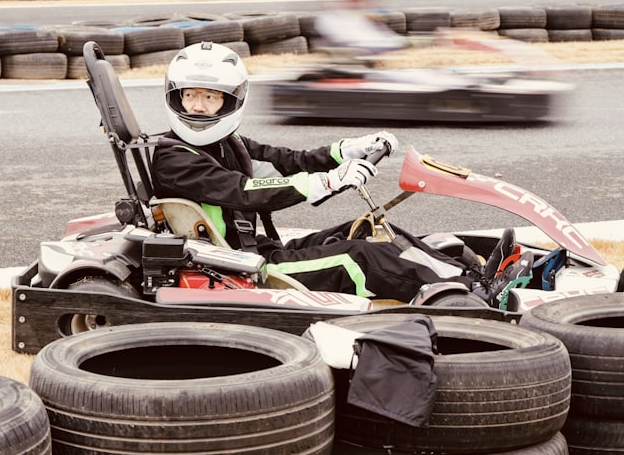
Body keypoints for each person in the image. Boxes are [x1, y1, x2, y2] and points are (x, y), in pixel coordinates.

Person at [150, 41, 482, 303]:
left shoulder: (226, 141)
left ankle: (469, 271)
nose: (197, 106)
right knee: (360, 257)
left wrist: (346, 151)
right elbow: (244, 190)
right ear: (176, 96)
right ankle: (467, 293)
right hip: (235, 269)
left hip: (254, 250)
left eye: (210, 97)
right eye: (190, 95)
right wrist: (327, 181)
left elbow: (286, 161)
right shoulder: (173, 157)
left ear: (229, 101)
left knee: (364, 230)